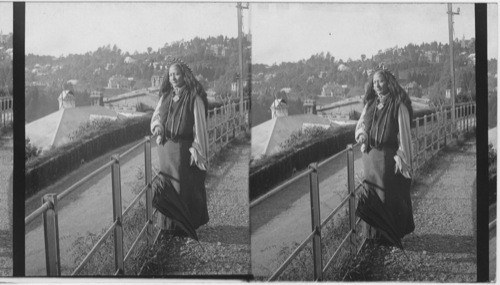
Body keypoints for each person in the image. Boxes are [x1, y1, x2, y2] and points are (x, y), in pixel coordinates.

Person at [355, 68, 415, 244]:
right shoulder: (370, 104)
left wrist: (402, 157)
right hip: (369, 159)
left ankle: (390, 236)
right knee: (372, 195)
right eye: (374, 82)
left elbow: (404, 135)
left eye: (380, 81)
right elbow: (361, 125)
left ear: (389, 82)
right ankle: (374, 236)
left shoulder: (399, 105)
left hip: (387, 160)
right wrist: (362, 134)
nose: (377, 85)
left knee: (386, 196)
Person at [150, 57, 210, 234]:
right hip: (165, 150)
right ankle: (169, 227)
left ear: (184, 75)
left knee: (183, 189)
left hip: (183, 151)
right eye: (170, 75)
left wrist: (197, 149)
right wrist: (158, 127)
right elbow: (156, 117)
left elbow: (199, 126)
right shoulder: (166, 97)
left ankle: (184, 228)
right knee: (168, 188)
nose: (173, 78)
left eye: (176, 74)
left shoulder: (194, 98)